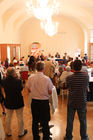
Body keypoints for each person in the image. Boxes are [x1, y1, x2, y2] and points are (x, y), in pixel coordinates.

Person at [27, 61, 53, 140]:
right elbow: (50, 91)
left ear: (36, 68)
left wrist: (35, 92)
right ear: (43, 69)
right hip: (44, 102)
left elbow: (28, 90)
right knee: (45, 121)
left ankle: (36, 137)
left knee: (35, 120)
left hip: (34, 102)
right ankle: (46, 137)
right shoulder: (47, 79)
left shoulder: (31, 77)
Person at [64, 60, 89, 140]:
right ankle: (84, 137)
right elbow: (86, 87)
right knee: (83, 121)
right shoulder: (86, 76)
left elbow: (67, 87)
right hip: (82, 101)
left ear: (73, 67)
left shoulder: (69, 78)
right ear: (81, 67)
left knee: (70, 120)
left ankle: (68, 137)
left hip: (72, 101)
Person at [1, 67, 27, 137]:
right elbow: (21, 89)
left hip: (8, 101)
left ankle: (8, 132)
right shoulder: (18, 81)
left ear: (7, 73)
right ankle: (21, 133)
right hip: (18, 101)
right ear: (14, 73)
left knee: (8, 118)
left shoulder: (3, 81)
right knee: (20, 117)